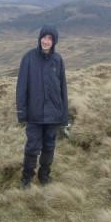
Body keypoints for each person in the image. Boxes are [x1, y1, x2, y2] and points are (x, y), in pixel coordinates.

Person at [16, 24, 68, 188]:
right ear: (39, 39)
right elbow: (21, 87)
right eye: (44, 38)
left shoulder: (58, 60)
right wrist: (22, 112)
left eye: (50, 39)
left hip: (53, 114)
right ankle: (26, 178)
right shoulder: (28, 58)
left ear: (54, 42)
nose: (46, 41)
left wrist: (63, 114)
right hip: (34, 114)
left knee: (49, 146)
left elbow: (63, 88)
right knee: (32, 147)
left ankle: (44, 176)